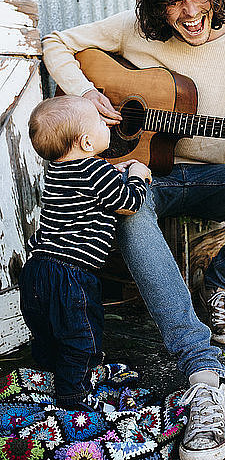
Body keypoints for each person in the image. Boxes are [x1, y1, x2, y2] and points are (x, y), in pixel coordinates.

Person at [41, 0, 225, 460]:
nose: (187, 12)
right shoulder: (131, 30)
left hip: (217, 174)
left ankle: (220, 284)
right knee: (129, 204)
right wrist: (86, 94)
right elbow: (55, 42)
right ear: (156, 6)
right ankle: (204, 375)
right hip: (144, 174)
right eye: (172, 1)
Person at [19, 95, 150, 412]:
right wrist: (138, 175)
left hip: (37, 269)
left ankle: (51, 374)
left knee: (49, 332)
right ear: (88, 141)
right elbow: (128, 202)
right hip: (73, 274)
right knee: (82, 335)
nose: (108, 123)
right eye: (101, 121)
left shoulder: (55, 171)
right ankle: (71, 402)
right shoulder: (96, 170)